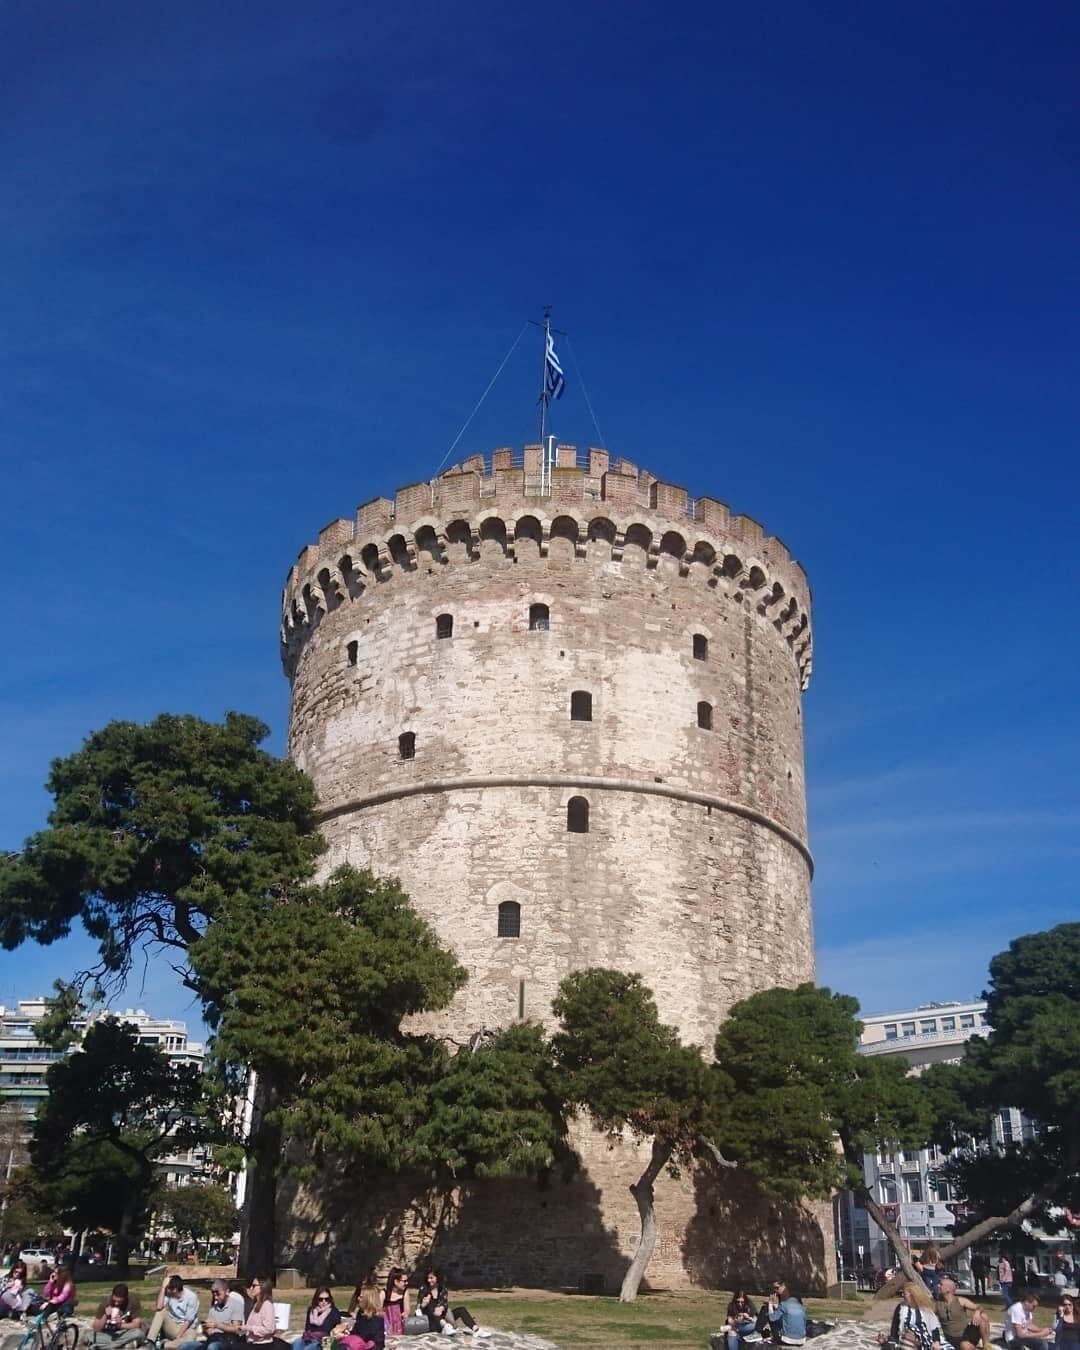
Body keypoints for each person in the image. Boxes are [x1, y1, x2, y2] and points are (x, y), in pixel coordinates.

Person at [178, 1278, 244, 1350]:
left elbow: (236, 1329)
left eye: (218, 1294)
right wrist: (206, 1328)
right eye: (213, 1294)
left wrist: (217, 1325)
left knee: (212, 1347)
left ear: (227, 1291)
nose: (215, 1297)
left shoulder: (236, 1305)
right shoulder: (213, 1308)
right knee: (184, 1346)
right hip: (213, 1339)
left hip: (227, 1341)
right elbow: (209, 1329)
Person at [877, 1281, 943, 1350]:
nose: (902, 1295)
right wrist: (890, 1339)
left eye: (905, 1293)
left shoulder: (925, 1309)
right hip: (905, 1339)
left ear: (912, 1295)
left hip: (923, 1339)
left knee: (910, 1334)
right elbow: (895, 1327)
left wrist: (936, 1342)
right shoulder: (901, 1307)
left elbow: (934, 1328)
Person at [934, 1276, 990, 1350]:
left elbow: (980, 1307)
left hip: (966, 1333)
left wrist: (977, 1312)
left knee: (983, 1316)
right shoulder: (937, 1304)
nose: (938, 1286)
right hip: (952, 1338)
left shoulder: (960, 1300)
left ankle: (986, 1345)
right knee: (965, 1346)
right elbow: (929, 1317)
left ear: (948, 1289)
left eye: (941, 1284)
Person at [147, 1274, 201, 1349]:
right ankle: (150, 1341)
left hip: (186, 1328)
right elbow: (159, 1307)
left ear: (174, 1289)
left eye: (167, 1288)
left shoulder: (191, 1297)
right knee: (161, 1312)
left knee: (190, 1339)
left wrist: (178, 1336)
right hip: (172, 1325)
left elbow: (188, 1321)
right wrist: (163, 1288)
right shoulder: (168, 1294)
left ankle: (164, 1345)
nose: (167, 1290)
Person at [90, 1283, 144, 1348]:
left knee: (138, 1333)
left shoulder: (133, 1301)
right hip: (108, 1334)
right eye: (114, 1300)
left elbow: (136, 1324)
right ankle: (118, 1345)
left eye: (120, 1301)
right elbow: (96, 1328)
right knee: (88, 1337)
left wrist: (120, 1325)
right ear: (112, 1295)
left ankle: (107, 1347)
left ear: (126, 1298)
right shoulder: (106, 1302)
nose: (116, 1303)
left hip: (124, 1333)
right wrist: (105, 1316)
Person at [243, 1277, 288, 1350]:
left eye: (254, 1286)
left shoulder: (267, 1305)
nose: (251, 1288)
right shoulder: (256, 1304)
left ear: (263, 1286)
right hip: (253, 1343)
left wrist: (249, 1328)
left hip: (262, 1345)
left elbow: (269, 1329)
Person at [768, 1280, 808, 1348]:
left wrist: (770, 1304)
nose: (776, 1291)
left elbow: (772, 1318)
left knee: (770, 1317)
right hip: (802, 1339)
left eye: (777, 1288)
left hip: (788, 1340)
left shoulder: (784, 1304)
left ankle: (774, 1339)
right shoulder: (802, 1307)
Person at [381, 1270, 409, 1337]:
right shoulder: (384, 1293)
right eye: (404, 1281)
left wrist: (405, 1314)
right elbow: (377, 1310)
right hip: (386, 1328)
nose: (407, 1283)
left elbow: (407, 1310)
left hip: (400, 1327)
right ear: (396, 1282)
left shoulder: (405, 1292)